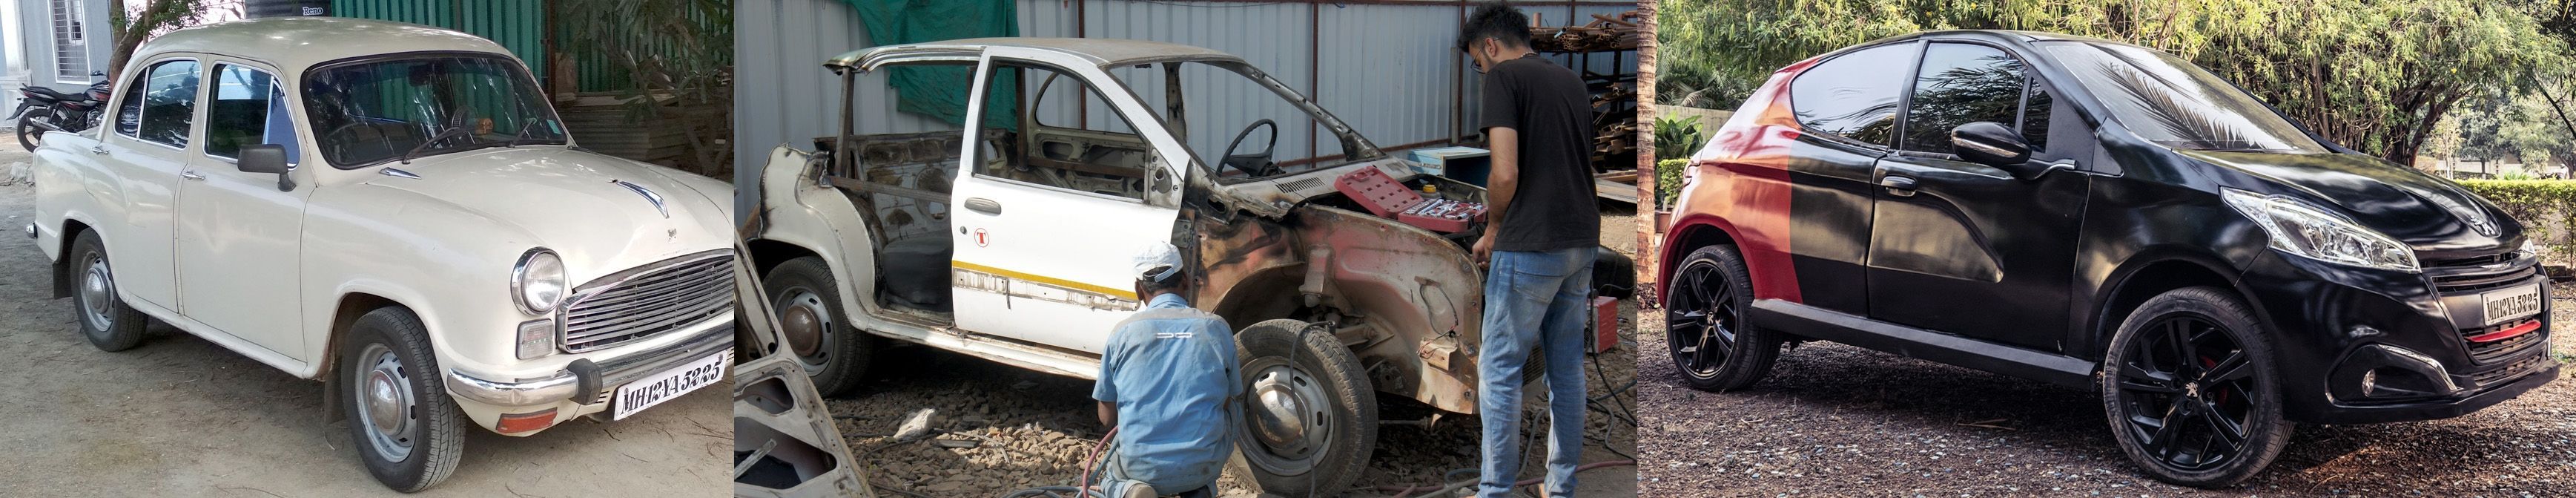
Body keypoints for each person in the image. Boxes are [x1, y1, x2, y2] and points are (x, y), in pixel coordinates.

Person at [1458, 2, 1599, 497]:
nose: (1481, 70)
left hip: (1531, 245)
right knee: (1566, 369)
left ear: (1491, 46)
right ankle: (1561, 486)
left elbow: (1505, 173)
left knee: (1498, 369)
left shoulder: (1503, 79)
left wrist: (1493, 229)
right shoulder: (1571, 83)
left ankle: (1494, 490)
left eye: (1478, 60)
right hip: (1581, 241)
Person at [1092, 242, 1241, 498]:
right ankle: (1199, 486)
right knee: (1234, 404)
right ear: (1185, 280)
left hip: (1140, 467)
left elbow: (1107, 418)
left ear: (1139, 290)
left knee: (1110, 476)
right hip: (1205, 463)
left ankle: (1129, 489)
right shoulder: (1216, 328)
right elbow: (1229, 398)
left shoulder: (1123, 333)